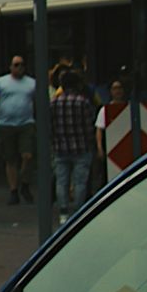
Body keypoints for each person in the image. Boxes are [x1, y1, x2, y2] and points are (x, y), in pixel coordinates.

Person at [0, 54, 37, 205]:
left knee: (27, 156)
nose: (19, 67)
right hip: (6, 124)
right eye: (16, 65)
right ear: (10, 67)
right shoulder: (1, 82)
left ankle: (25, 182)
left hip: (26, 123)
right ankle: (14, 190)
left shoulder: (31, 83)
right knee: (10, 159)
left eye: (21, 64)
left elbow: (38, 101)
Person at [48, 68, 95, 224]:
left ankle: (63, 212)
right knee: (80, 181)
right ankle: (78, 211)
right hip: (81, 147)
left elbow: (50, 126)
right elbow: (89, 126)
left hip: (60, 147)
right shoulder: (83, 102)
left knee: (62, 181)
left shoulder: (54, 102)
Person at [94, 76, 130, 157]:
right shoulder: (104, 110)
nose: (117, 91)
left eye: (119, 88)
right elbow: (99, 129)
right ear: (110, 91)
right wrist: (100, 148)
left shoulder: (130, 108)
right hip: (112, 148)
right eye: (115, 88)